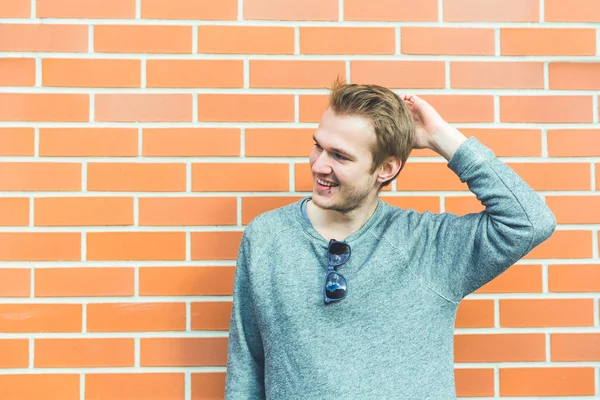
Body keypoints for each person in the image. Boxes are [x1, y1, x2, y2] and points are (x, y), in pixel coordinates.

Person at [224, 78, 556, 399]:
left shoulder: (428, 245)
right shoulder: (267, 237)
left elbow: (529, 221)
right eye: (318, 147)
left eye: (339, 156)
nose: (319, 165)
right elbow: (246, 369)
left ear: (386, 169)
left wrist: (442, 138)